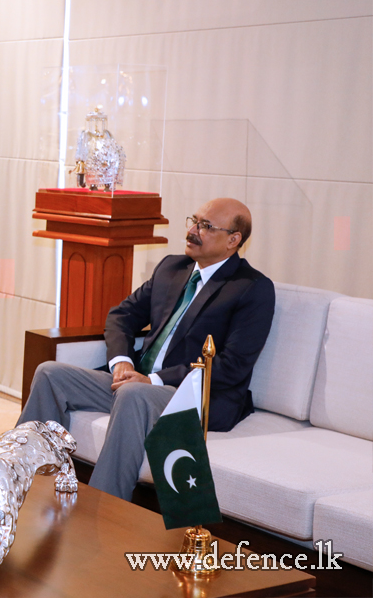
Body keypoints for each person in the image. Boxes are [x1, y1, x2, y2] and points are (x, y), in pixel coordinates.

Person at [18, 197, 274, 501]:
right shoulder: (172, 268)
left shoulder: (251, 287)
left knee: (133, 394)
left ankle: (102, 511)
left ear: (234, 240)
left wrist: (152, 380)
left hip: (196, 397)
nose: (193, 230)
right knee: (50, 374)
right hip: (136, 383)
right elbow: (121, 316)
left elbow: (232, 366)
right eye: (194, 220)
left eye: (205, 226)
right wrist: (123, 363)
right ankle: (20, 481)